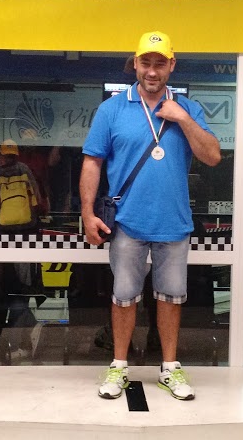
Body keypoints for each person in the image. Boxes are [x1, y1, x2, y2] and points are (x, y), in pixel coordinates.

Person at [81, 30, 221, 401]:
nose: (153, 71)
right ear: (136, 64)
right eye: (146, 63)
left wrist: (183, 119)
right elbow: (92, 162)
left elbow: (212, 156)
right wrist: (87, 213)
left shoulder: (188, 108)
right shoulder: (112, 109)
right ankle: (119, 365)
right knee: (124, 295)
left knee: (171, 297)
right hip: (127, 221)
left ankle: (170, 368)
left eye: (160, 63)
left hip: (173, 222)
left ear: (172, 65)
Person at [0, 139, 44, 358]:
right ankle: (22, 336)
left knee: (5, 287)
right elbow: (38, 199)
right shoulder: (24, 169)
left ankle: (10, 338)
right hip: (25, 232)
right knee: (21, 287)